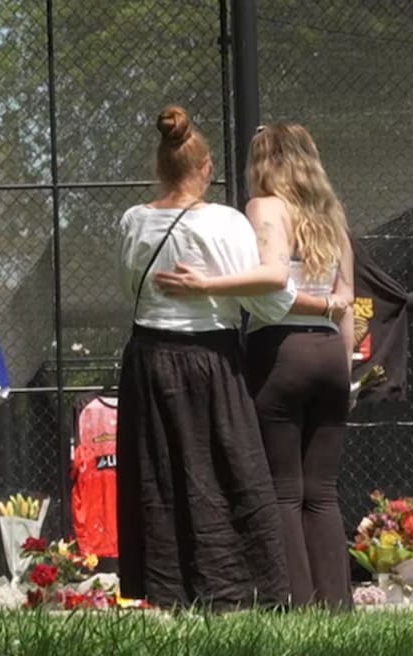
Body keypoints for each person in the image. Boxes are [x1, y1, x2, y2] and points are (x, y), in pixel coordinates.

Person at [154, 122, 355, 609]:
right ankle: (337, 606)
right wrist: (345, 373)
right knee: (322, 492)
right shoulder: (332, 216)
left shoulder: (264, 208)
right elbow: (346, 299)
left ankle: (296, 605)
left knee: (283, 491)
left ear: (264, 163)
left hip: (281, 352)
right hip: (330, 355)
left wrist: (206, 285)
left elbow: (269, 282)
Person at [116, 106, 300, 611]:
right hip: (209, 361)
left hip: (148, 361)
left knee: (161, 475)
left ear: (160, 166)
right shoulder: (225, 221)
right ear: (207, 167)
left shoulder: (134, 222)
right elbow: (264, 296)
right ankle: (238, 590)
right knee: (227, 471)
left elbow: (131, 285)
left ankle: (170, 591)